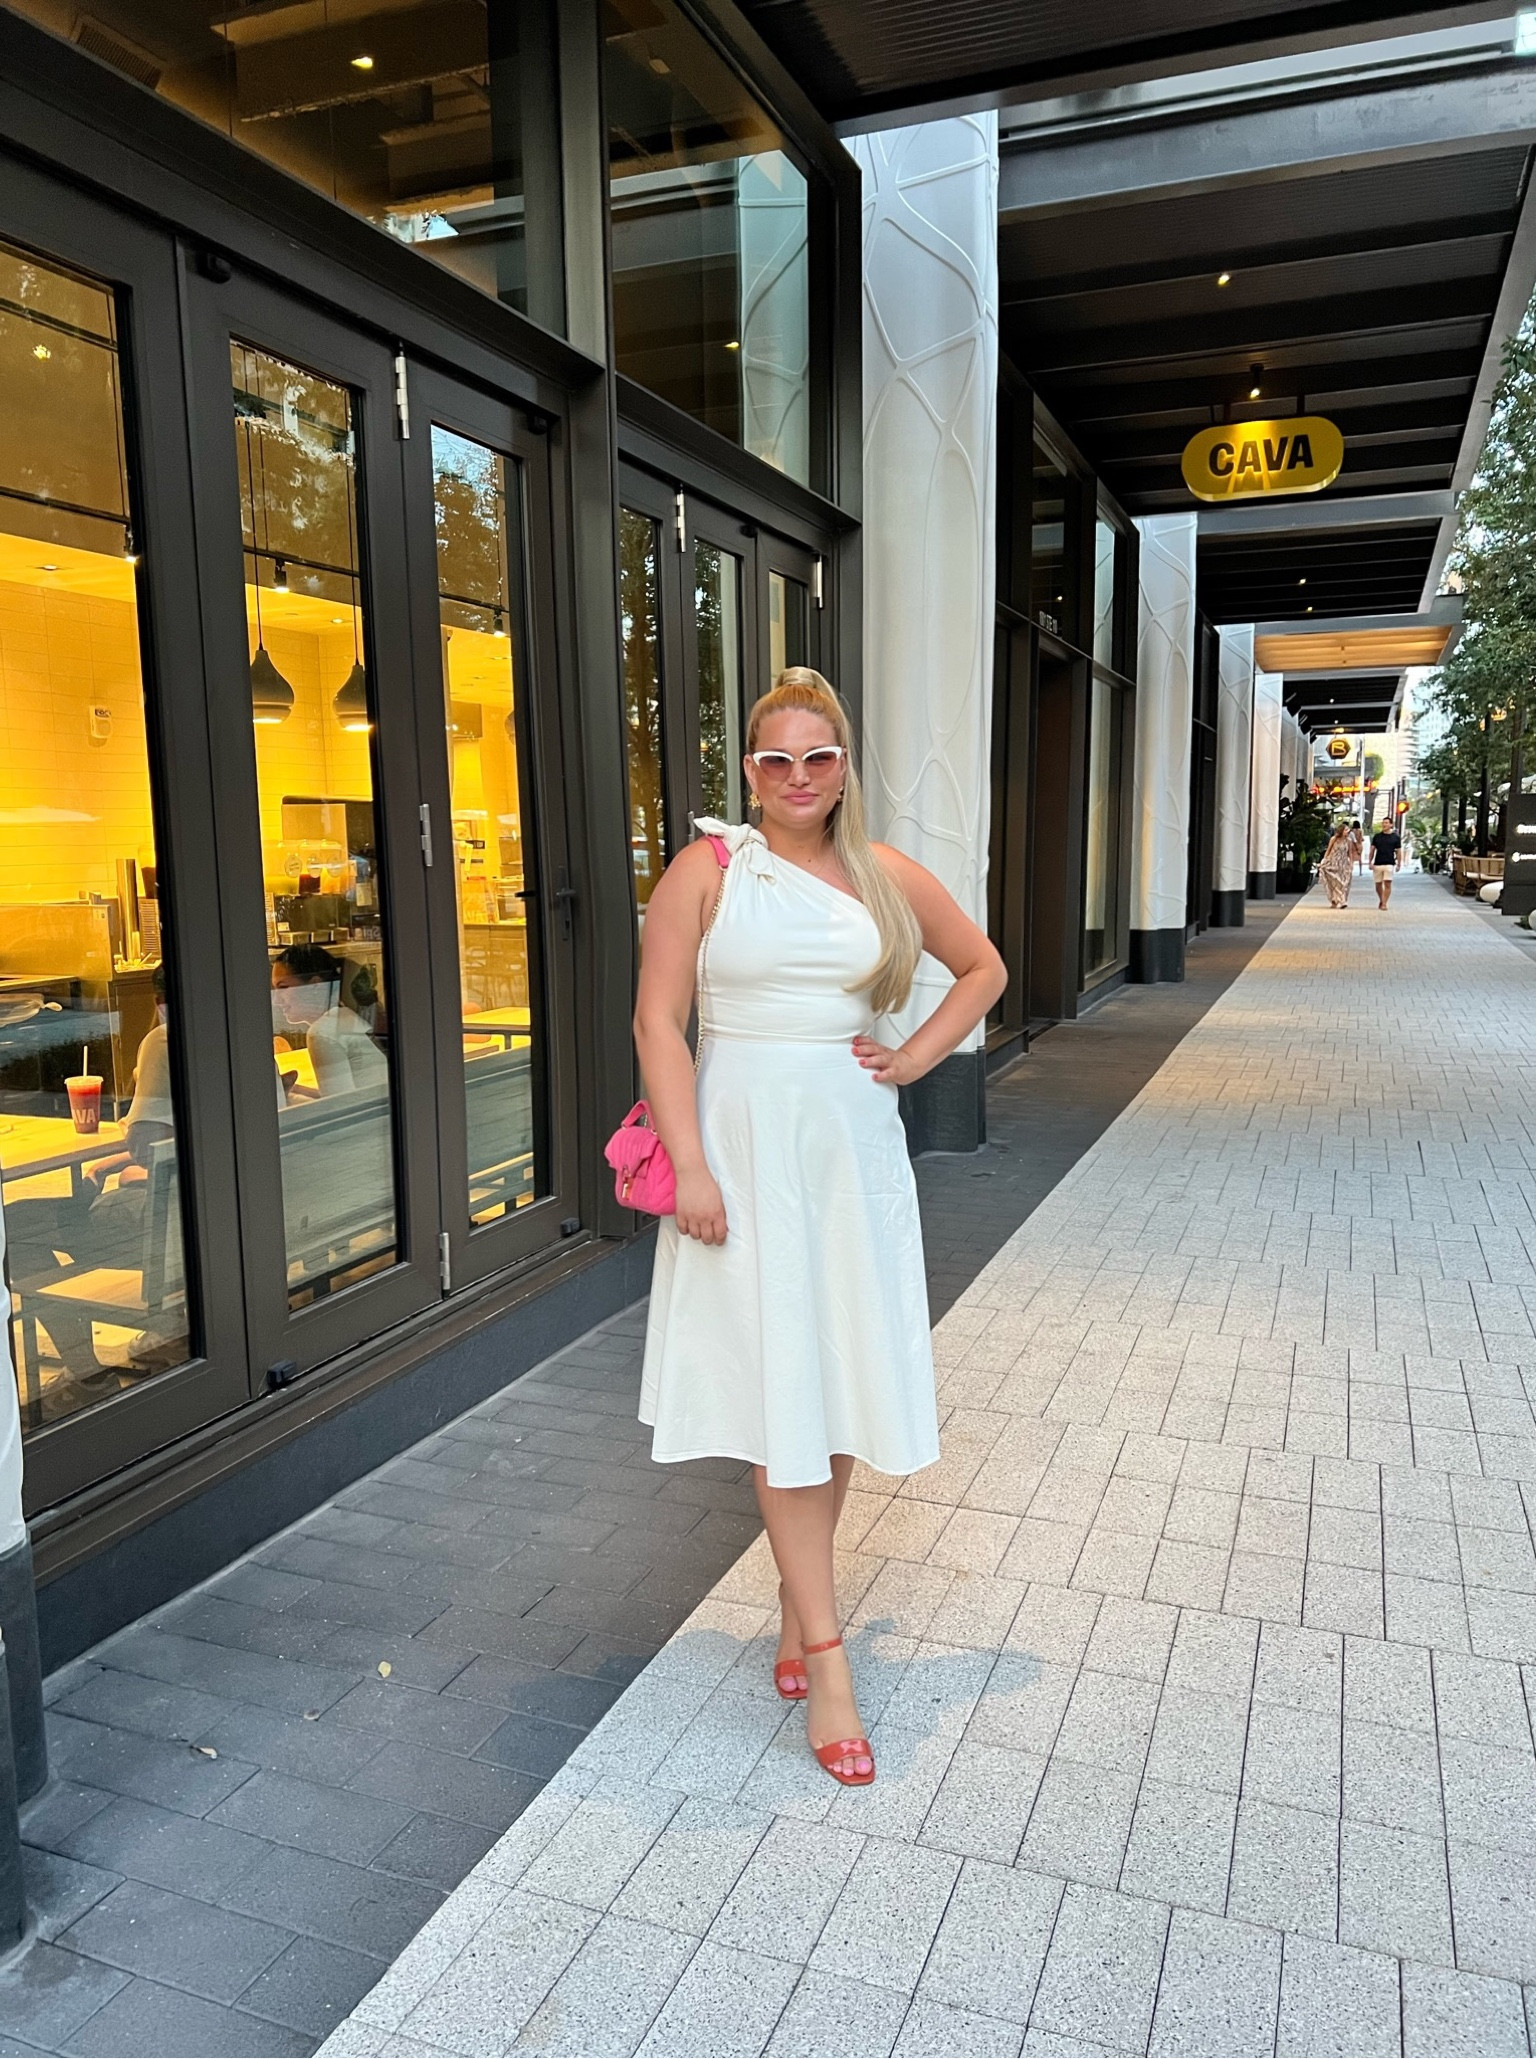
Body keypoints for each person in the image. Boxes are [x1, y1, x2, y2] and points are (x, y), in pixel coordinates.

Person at [633, 669, 1006, 1788]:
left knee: (831, 1379)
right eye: (773, 759)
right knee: (775, 1386)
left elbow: (981, 968)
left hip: (849, 1152)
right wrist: (690, 1161)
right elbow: (658, 1018)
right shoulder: (705, 871)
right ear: (747, 770)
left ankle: (802, 1612)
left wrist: (917, 1056)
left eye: (818, 756)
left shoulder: (884, 877)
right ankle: (828, 1654)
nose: (797, 778)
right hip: (741, 1153)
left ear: (845, 764)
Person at [272, 946, 389, 1099]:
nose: (276, 1000)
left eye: (283, 987)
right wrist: (296, 1090)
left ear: (316, 985)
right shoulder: (344, 1014)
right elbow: (342, 1095)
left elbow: (340, 1107)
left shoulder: (321, 1033)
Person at [1319, 822, 1354, 908]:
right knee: (1334, 882)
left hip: (1343, 864)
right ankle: (1337, 900)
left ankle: (1341, 900)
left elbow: (1350, 853)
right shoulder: (1334, 839)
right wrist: (1324, 860)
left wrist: (1351, 863)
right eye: (1345, 830)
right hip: (1332, 863)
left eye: (1348, 830)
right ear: (1341, 830)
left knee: (1343, 883)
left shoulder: (1349, 841)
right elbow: (1328, 850)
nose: (1347, 831)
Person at [1370, 817, 1402, 908]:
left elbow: (1399, 851)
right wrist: (1370, 862)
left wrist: (1399, 864)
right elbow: (1372, 849)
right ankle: (1381, 899)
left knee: (1387, 883)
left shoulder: (1395, 837)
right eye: (1383, 823)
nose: (1384, 825)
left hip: (1389, 863)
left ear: (1391, 824)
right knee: (1378, 885)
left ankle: (1384, 903)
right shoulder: (1377, 836)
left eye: (1387, 823)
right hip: (1378, 863)